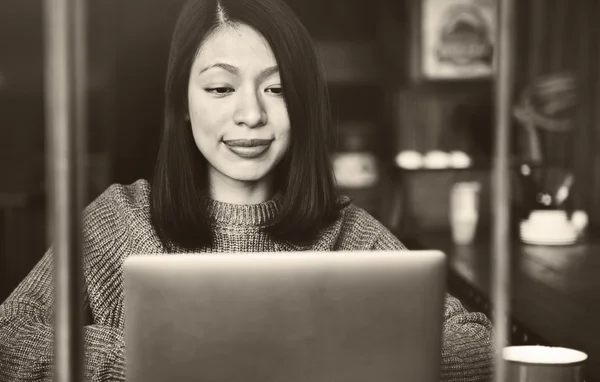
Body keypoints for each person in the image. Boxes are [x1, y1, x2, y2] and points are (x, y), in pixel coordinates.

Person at [0, 0, 494, 380]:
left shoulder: (349, 234)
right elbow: (11, 336)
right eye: (220, 88)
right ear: (183, 105)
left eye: (276, 89)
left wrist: (321, 355)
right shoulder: (118, 220)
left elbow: (475, 344)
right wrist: (154, 362)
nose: (252, 114)